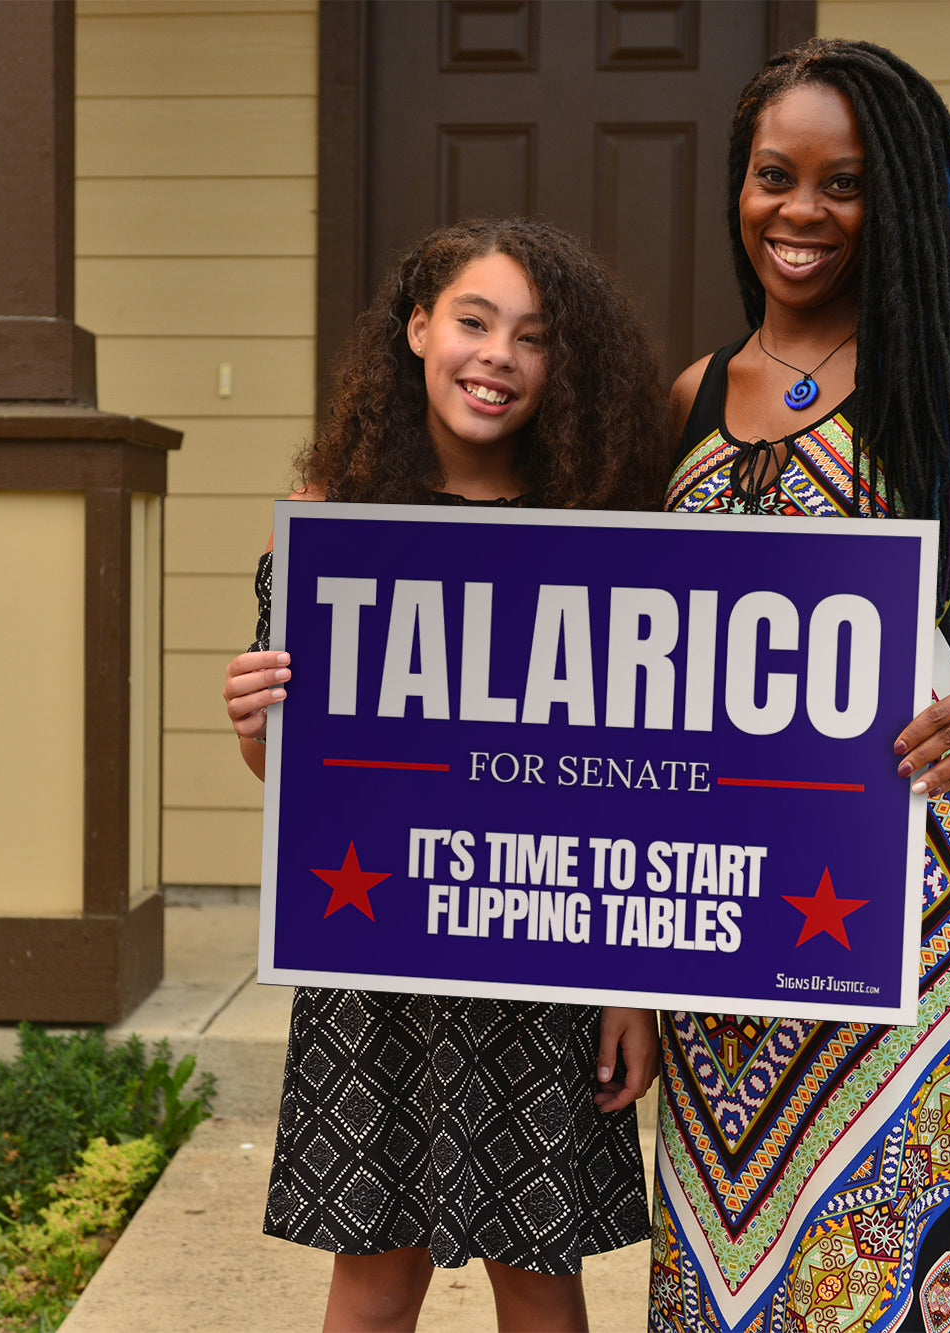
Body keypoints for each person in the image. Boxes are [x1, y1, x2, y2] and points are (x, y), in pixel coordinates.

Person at [650, 39, 950, 1333]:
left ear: (898, 198)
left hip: (901, 887)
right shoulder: (686, 402)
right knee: (721, 1240)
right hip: (715, 900)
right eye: (772, 175)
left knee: (881, 1225)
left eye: (842, 184)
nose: (799, 211)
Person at [223, 218, 670, 1333]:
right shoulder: (331, 530)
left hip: (547, 948)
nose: (498, 355)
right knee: (374, 1277)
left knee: (539, 1279)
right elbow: (306, 778)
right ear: (418, 329)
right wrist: (252, 725)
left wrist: (631, 986)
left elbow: (629, 785)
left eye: (533, 335)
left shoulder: (600, 536)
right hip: (377, 950)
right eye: (473, 321)